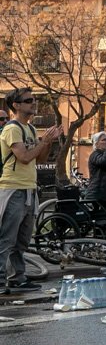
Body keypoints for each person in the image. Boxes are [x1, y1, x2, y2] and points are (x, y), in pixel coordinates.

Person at [0, 89, 61, 294]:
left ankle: (17, 277)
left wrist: (48, 142)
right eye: (28, 101)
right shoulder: (12, 129)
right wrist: (43, 142)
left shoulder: (31, 129)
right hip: (13, 188)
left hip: (29, 188)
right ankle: (1, 279)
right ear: (16, 105)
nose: (33, 104)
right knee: (7, 237)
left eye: (33, 100)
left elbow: (40, 160)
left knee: (22, 239)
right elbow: (24, 157)